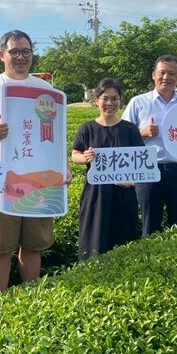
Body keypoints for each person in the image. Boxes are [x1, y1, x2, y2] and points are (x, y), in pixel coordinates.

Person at [0, 30, 54, 291]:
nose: (20, 57)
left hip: (38, 180)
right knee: (0, 248)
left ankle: (31, 298)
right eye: (14, 51)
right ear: (1, 55)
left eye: (26, 51)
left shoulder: (45, 89)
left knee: (33, 245)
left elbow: (55, 135)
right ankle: (0, 302)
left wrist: (62, 168)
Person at [72, 78, 144, 260]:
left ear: (120, 101)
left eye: (115, 99)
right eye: (105, 98)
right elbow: (75, 154)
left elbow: (140, 161)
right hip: (95, 195)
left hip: (124, 194)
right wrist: (85, 157)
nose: (110, 103)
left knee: (125, 244)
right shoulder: (86, 129)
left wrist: (133, 181)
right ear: (96, 100)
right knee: (95, 242)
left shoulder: (130, 129)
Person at [122, 54, 177, 235]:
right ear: (154, 75)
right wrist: (144, 133)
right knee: (149, 225)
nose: (166, 77)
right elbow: (122, 138)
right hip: (148, 171)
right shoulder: (138, 102)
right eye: (162, 72)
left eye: (172, 73)